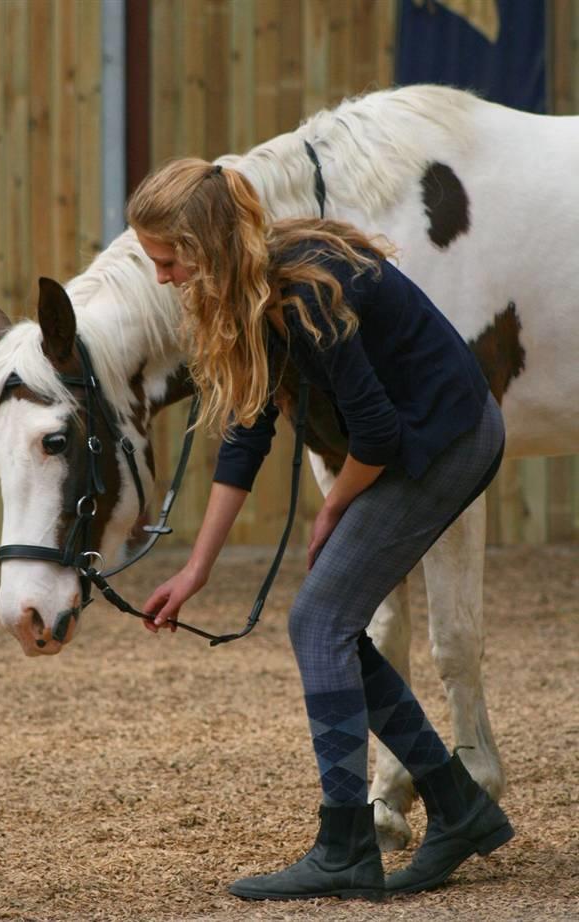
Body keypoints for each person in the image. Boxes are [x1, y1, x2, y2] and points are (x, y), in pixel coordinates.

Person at [125, 158, 513, 903]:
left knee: (321, 621)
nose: (166, 277)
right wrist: (195, 569)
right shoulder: (251, 290)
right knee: (324, 624)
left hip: (450, 439)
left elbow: (372, 431)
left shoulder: (304, 294)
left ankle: (347, 848)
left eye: (169, 261)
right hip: (407, 442)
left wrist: (333, 509)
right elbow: (246, 434)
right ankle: (458, 808)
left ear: (204, 246)